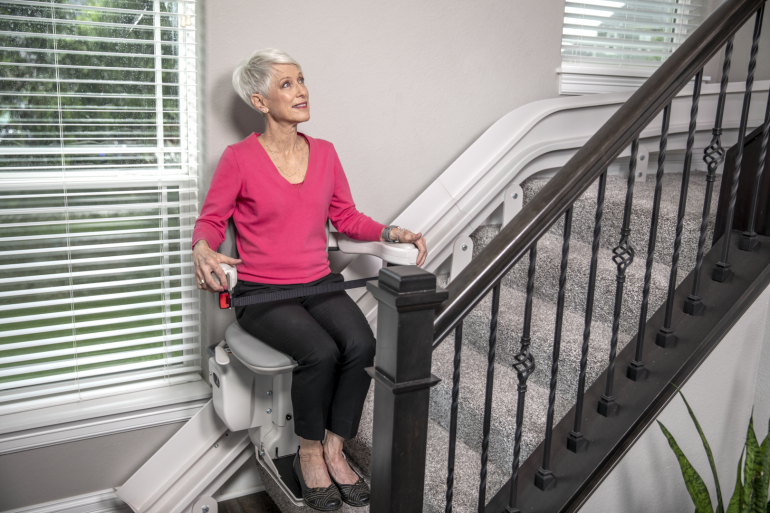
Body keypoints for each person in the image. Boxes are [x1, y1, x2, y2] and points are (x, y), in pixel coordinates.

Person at [192, 48, 428, 511]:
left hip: (317, 282)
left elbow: (345, 216)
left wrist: (389, 231)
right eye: (286, 84)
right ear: (259, 102)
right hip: (262, 293)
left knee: (361, 344)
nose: (301, 91)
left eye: (301, 80)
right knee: (318, 352)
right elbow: (211, 220)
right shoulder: (239, 158)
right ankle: (308, 452)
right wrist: (202, 248)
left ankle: (336, 448)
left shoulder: (324, 153)